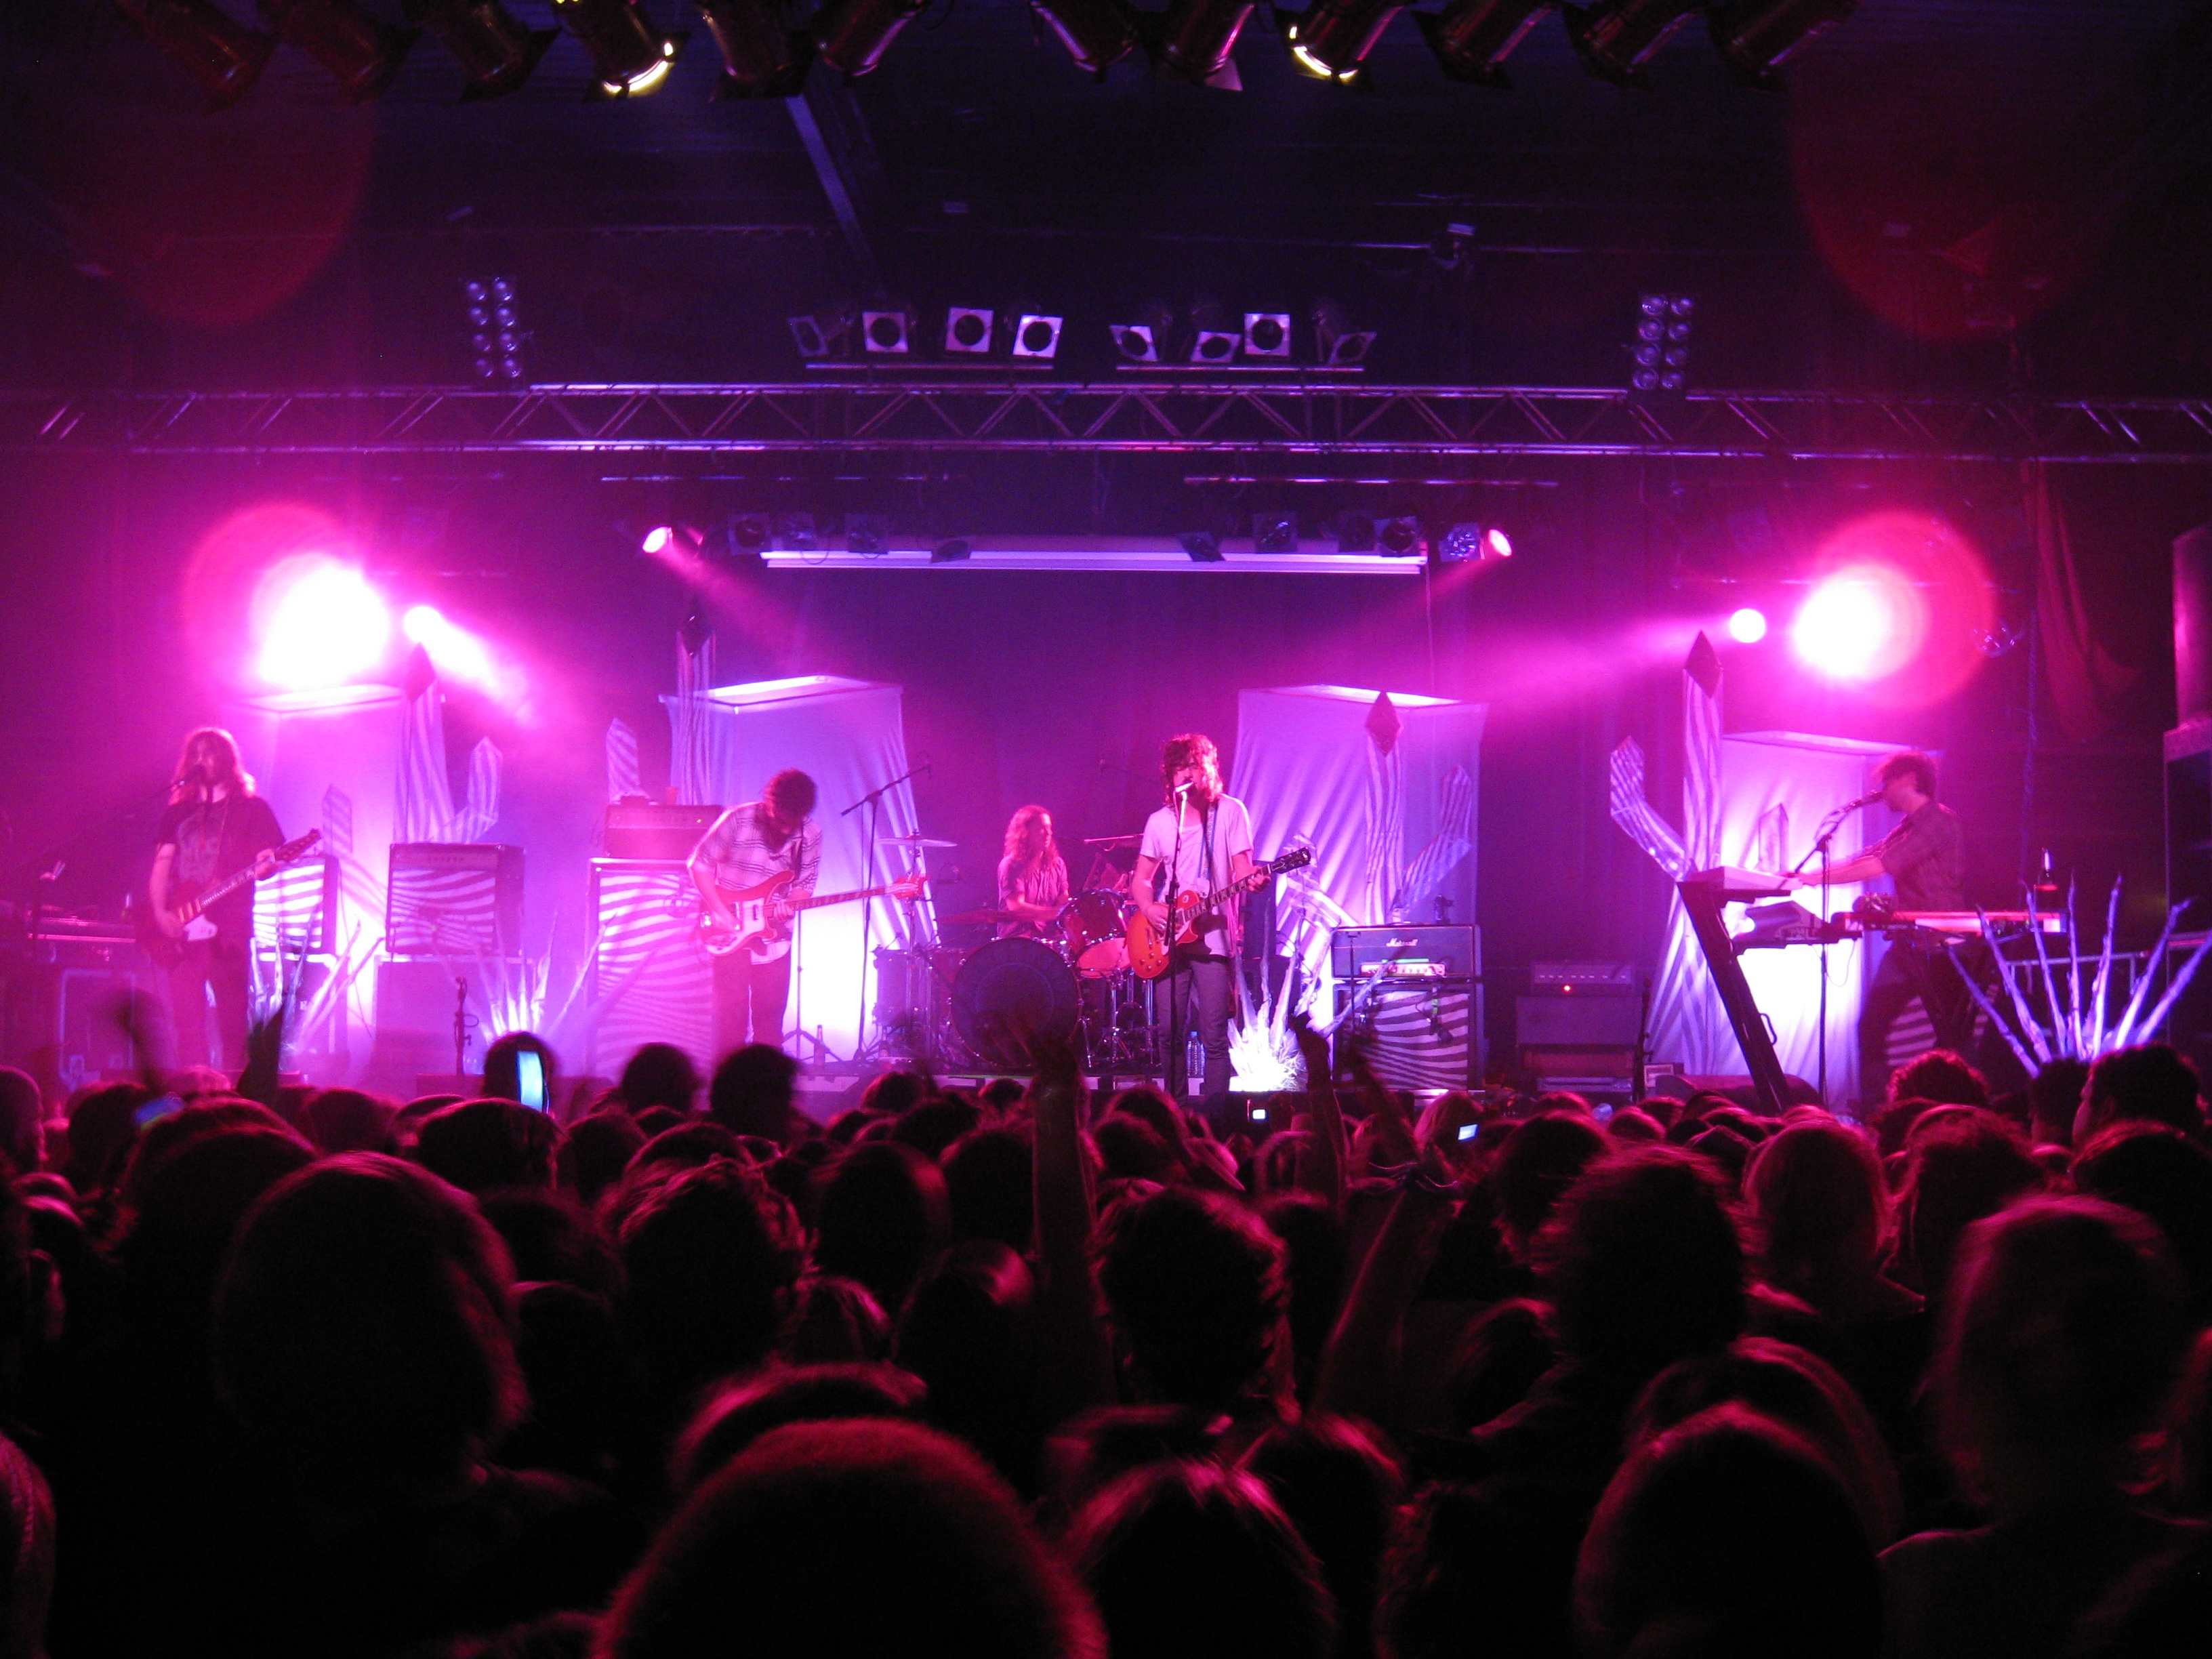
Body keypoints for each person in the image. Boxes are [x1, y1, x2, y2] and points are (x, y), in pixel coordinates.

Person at [1784, 750, 1976, 1107]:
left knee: (1950, 1037)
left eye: (1887, 780)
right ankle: (1881, 1109)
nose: (1882, 789)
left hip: (1945, 943)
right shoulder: (1907, 827)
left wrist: (1811, 880)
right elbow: (1864, 857)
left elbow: (1881, 865)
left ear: (1908, 779)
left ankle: (1956, 1107)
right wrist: (1802, 875)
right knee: (1873, 1028)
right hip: (1911, 944)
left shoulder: (1939, 821)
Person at [1130, 734, 1254, 1122]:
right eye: (1180, 767)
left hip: (1213, 937)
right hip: (1168, 937)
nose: (1187, 774)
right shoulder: (1160, 822)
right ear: (1170, 775)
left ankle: (1215, 1117)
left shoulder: (1230, 812)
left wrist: (1254, 879)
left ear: (1209, 770)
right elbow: (1142, 879)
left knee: (1214, 1033)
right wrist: (1148, 907)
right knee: (1170, 1033)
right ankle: (1176, 1113)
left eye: (1195, 766)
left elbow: (1243, 870)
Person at [148, 727, 283, 1073]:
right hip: (182, 925)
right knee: (187, 1020)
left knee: (232, 1019)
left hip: (230, 928)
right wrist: (160, 913)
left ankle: (235, 1093)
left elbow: (268, 856)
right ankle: (195, 1089)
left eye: (208, 753)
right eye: (195, 754)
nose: (201, 761)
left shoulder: (252, 809)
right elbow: (162, 866)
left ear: (226, 759)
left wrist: (266, 865)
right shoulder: (178, 812)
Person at [687, 769, 821, 1057]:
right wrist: (719, 911)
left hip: (775, 938)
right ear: (769, 804)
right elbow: (699, 865)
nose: (785, 830)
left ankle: (767, 1084)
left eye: (792, 823)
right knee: (731, 1024)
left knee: (770, 1027)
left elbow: (804, 886)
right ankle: (728, 1083)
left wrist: (790, 906)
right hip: (730, 933)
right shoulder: (738, 820)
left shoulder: (810, 834)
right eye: (780, 820)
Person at [996, 804, 1070, 940]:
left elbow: (1063, 898)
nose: (1048, 833)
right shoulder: (1011, 865)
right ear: (1025, 833)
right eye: (1041, 828)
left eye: (1049, 828)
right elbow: (1017, 907)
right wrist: (1057, 912)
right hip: (1017, 939)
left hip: (1050, 937)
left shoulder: (1058, 864)